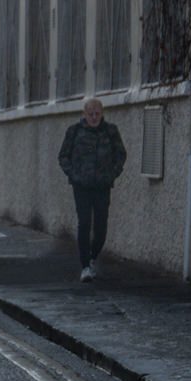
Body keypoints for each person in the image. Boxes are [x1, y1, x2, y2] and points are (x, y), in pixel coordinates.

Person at [57, 97, 126, 282]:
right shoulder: (74, 131)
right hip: (82, 186)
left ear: (102, 114)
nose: (94, 117)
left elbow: (121, 155)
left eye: (97, 114)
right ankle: (85, 266)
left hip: (102, 186)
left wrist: (112, 174)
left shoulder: (111, 131)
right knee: (85, 222)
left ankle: (93, 257)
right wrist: (74, 175)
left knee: (101, 227)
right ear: (84, 114)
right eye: (90, 114)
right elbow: (63, 156)